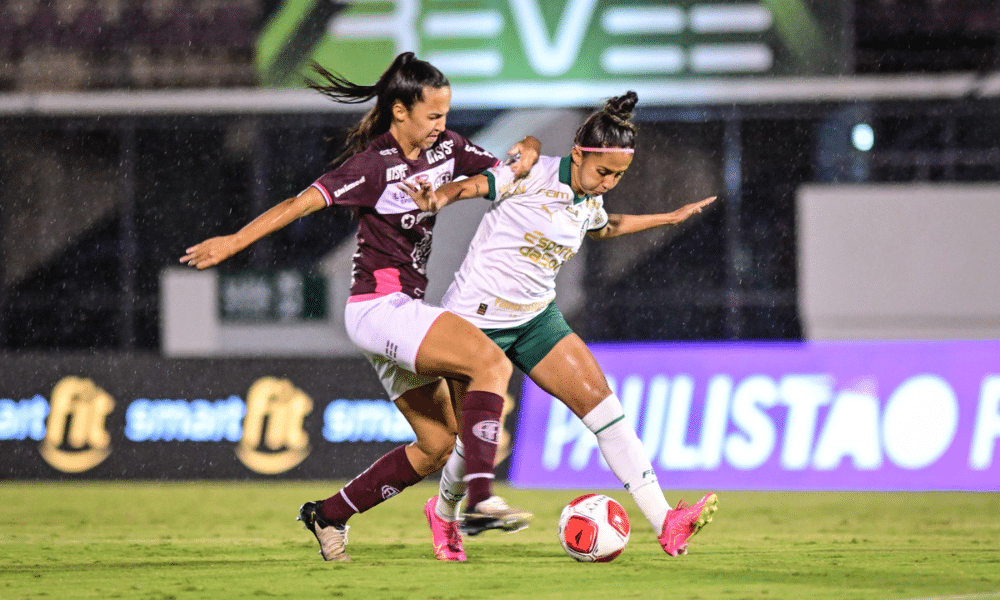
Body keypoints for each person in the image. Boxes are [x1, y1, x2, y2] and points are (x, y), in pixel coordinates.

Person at [180, 52, 539, 562]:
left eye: (446, 114)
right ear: (399, 111)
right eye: (433, 115)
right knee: (491, 363)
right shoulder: (373, 166)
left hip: (400, 311)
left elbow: (509, 170)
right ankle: (478, 500)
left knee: (437, 444)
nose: (443, 125)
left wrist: (530, 145)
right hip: (379, 308)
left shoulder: (449, 149)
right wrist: (235, 241)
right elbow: (298, 204)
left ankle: (327, 516)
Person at [403, 91, 718, 560]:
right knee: (477, 444)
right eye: (603, 172)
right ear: (577, 154)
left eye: (618, 175)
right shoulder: (530, 172)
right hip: (474, 322)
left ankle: (666, 521)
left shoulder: (588, 198)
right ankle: (444, 513)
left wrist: (667, 218)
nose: (608, 182)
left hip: (536, 320)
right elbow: (471, 186)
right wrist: (439, 197)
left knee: (606, 412)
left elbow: (605, 225)